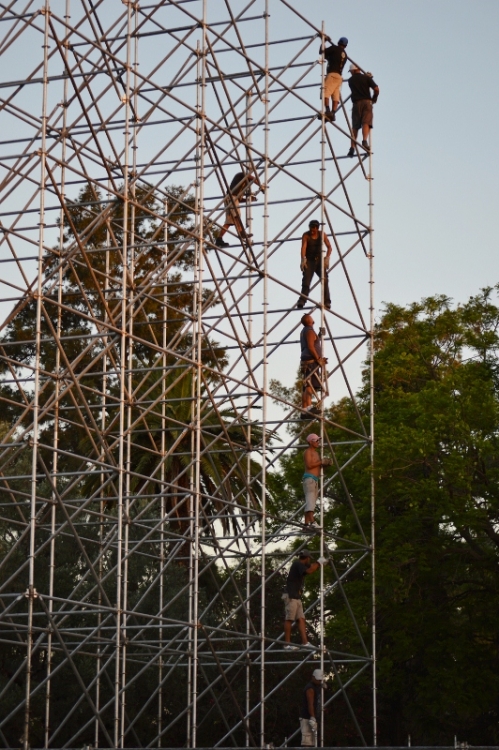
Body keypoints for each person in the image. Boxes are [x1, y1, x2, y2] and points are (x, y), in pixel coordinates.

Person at [283, 551, 327, 650]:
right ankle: (287, 644)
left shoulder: (300, 565)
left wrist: (320, 564)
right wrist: (319, 562)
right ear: (306, 558)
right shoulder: (298, 564)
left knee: (301, 619)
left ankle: (305, 642)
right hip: (290, 595)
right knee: (289, 618)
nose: (309, 561)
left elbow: (311, 567)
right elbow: (310, 570)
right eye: (309, 559)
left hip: (296, 596)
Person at [216, 170, 257, 247]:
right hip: (232, 197)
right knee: (236, 216)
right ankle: (241, 233)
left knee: (229, 222)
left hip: (232, 198)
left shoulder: (242, 186)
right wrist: (260, 184)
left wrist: (249, 199)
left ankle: (219, 239)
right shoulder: (241, 175)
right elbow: (250, 177)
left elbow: (240, 199)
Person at [297, 220, 332, 310]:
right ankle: (302, 300)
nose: (312, 230)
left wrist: (327, 258)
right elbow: (303, 247)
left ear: (317, 228)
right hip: (310, 261)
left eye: (314, 228)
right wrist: (303, 258)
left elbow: (329, 247)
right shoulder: (306, 235)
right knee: (306, 282)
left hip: (319, 261)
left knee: (325, 280)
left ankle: (327, 301)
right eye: (311, 228)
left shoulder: (322, 234)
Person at [347, 64, 379, 156]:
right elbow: (376, 89)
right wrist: (374, 98)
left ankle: (352, 148)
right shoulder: (366, 78)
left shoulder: (350, 80)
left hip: (356, 104)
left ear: (353, 71)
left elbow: (358, 83)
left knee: (355, 126)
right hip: (367, 102)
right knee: (366, 122)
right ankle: (364, 141)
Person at [300, 314, 327, 420]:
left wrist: (319, 336)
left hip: (306, 360)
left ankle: (305, 410)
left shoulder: (305, 331)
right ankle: (308, 408)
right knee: (309, 385)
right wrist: (318, 359)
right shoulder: (310, 331)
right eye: (311, 317)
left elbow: (312, 343)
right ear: (309, 320)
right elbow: (311, 347)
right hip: (311, 361)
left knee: (307, 384)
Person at [303, 434, 333, 529]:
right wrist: (321, 462)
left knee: (311, 501)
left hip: (315, 480)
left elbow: (317, 466)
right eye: (316, 440)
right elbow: (309, 465)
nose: (318, 442)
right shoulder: (308, 452)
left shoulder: (316, 453)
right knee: (310, 500)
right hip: (309, 479)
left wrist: (326, 464)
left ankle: (306, 524)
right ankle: (312, 522)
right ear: (311, 442)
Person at [318, 36, 348, 122]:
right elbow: (329, 57)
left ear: (339, 42)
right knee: (335, 95)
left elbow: (322, 52)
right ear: (345, 46)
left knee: (325, 92)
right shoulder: (345, 55)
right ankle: (333, 113)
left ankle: (327, 111)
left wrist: (324, 42)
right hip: (339, 77)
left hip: (332, 74)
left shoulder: (334, 48)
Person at [299, 669, 324, 747]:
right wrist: (312, 717)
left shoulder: (317, 686)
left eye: (320, 680)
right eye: (318, 680)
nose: (319, 681)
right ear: (313, 677)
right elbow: (310, 704)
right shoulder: (310, 688)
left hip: (313, 717)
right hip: (307, 718)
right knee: (307, 742)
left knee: (313, 742)